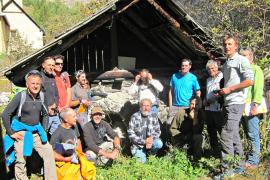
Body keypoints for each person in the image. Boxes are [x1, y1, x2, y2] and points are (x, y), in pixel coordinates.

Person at [2, 70, 57, 180]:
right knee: (21, 160)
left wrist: (44, 129)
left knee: (49, 152)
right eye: (33, 83)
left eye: (37, 83)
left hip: (37, 133)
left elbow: (46, 114)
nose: (35, 86)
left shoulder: (41, 97)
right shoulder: (20, 96)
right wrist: (11, 133)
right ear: (27, 84)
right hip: (22, 133)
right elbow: (5, 114)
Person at [214, 34, 254, 179]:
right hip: (227, 102)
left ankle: (227, 171)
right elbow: (229, 83)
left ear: (236, 46)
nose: (227, 46)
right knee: (234, 135)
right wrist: (222, 92)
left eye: (230, 44)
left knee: (225, 135)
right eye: (225, 44)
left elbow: (250, 81)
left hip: (236, 103)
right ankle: (240, 166)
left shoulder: (241, 60)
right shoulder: (226, 63)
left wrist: (230, 89)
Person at [50, 108, 96, 179]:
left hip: (75, 157)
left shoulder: (74, 127)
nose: (76, 118)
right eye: (74, 116)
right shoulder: (57, 134)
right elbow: (51, 153)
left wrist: (81, 154)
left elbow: (78, 141)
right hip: (65, 162)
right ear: (66, 119)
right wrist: (66, 159)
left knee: (91, 161)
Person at [240, 48, 264, 169]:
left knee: (253, 134)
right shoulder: (243, 71)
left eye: (244, 55)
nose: (242, 58)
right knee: (247, 133)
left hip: (251, 107)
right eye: (241, 56)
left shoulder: (256, 69)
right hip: (242, 107)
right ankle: (250, 157)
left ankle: (254, 161)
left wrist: (255, 105)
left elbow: (258, 88)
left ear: (251, 57)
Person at [128, 98, 163, 163]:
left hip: (150, 142)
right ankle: (142, 155)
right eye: (144, 105)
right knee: (142, 163)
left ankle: (151, 154)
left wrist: (151, 139)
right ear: (140, 106)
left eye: (148, 106)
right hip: (138, 145)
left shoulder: (154, 115)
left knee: (158, 143)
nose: (146, 108)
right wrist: (144, 141)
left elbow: (158, 131)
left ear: (151, 107)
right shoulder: (134, 117)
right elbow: (130, 134)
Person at [167, 58, 201, 125]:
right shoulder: (174, 76)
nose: (184, 67)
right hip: (174, 106)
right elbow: (171, 91)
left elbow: (198, 92)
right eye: (183, 65)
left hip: (186, 107)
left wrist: (195, 103)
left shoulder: (193, 78)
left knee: (184, 127)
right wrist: (170, 105)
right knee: (169, 125)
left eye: (186, 65)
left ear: (190, 66)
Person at [170, 96, 204, 161]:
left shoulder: (201, 114)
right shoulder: (181, 113)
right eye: (192, 104)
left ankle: (196, 160)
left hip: (192, 137)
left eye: (196, 104)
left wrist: (195, 120)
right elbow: (172, 128)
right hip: (180, 136)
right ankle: (179, 156)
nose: (194, 106)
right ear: (189, 104)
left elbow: (198, 131)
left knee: (199, 137)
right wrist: (181, 136)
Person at [204, 60, 224, 156]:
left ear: (217, 68)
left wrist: (210, 100)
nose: (211, 70)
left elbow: (221, 92)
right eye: (209, 69)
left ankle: (225, 152)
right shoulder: (208, 80)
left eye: (212, 68)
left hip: (218, 109)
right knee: (211, 131)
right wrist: (205, 100)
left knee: (221, 131)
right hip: (208, 109)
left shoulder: (222, 77)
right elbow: (208, 93)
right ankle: (215, 152)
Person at [40, 56, 60, 135]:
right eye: (49, 65)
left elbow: (56, 94)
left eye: (53, 65)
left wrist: (55, 104)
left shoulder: (52, 77)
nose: (51, 67)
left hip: (54, 112)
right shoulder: (40, 78)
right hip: (44, 114)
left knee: (57, 135)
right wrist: (46, 108)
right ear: (43, 65)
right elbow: (38, 96)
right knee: (43, 135)